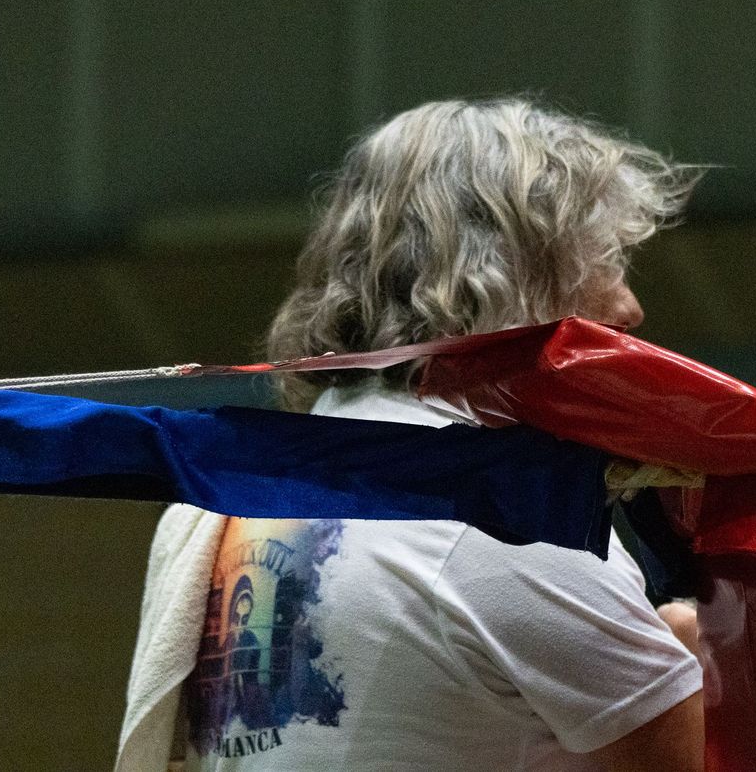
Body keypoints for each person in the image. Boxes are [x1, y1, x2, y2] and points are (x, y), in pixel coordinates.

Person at [127, 97, 705, 772]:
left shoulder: (240, 499)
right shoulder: (507, 520)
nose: (627, 307)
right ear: (510, 275)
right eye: (603, 260)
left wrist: (655, 644)